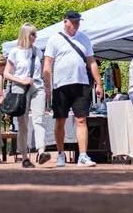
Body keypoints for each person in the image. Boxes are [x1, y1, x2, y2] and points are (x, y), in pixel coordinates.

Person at [43, 10, 104, 168]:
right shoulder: (54, 39)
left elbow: (91, 62)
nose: (76, 25)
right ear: (65, 22)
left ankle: (83, 155)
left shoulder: (84, 38)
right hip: (60, 85)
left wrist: (99, 83)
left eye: (78, 22)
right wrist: (47, 86)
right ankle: (61, 154)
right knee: (60, 121)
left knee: (82, 119)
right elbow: (48, 64)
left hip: (81, 83)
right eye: (73, 22)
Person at [4, 23, 48, 168]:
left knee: (39, 119)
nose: (35, 37)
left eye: (36, 34)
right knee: (23, 124)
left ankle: (41, 151)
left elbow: (41, 71)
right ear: (25, 35)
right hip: (20, 88)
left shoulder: (38, 52)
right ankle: (24, 157)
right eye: (33, 34)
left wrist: (48, 87)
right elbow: (6, 74)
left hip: (37, 86)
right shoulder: (14, 52)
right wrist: (21, 80)